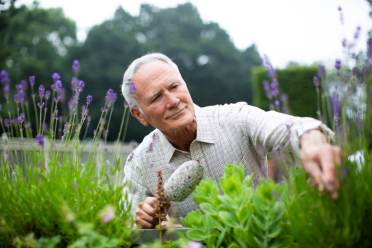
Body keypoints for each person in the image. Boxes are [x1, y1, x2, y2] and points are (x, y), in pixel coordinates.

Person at [121, 53, 341, 229]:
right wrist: (142, 220)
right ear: (139, 114)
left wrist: (313, 140)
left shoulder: (236, 118)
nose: (173, 101)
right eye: (157, 97)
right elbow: (128, 227)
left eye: (174, 86)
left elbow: (285, 128)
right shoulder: (140, 163)